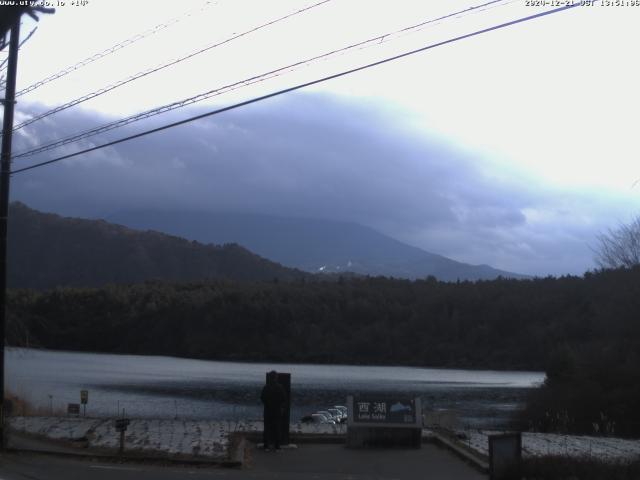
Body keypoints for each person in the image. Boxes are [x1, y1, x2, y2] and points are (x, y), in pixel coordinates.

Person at [260, 370, 287, 451]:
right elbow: (284, 398)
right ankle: (277, 446)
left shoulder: (266, 387)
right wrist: (280, 406)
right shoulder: (280, 387)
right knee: (277, 428)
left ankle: (266, 446)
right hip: (277, 410)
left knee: (267, 428)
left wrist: (267, 403)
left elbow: (262, 398)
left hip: (268, 410)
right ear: (276, 377)